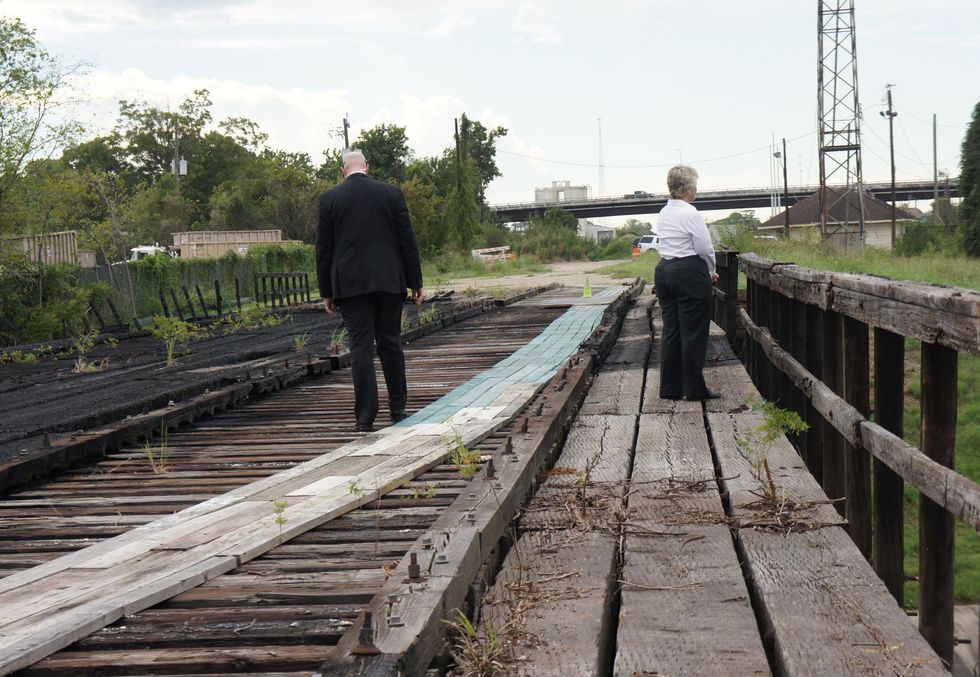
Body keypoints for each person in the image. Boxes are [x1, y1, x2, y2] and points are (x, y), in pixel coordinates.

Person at [315, 149, 424, 432]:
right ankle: (398, 408)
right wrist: (416, 282)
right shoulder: (391, 194)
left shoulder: (329, 200)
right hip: (389, 280)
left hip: (350, 286)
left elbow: (323, 251)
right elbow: (407, 241)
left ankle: (365, 419)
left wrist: (327, 291)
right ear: (367, 166)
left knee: (361, 347)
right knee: (390, 341)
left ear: (343, 171)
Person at [654, 165, 719, 401]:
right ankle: (694, 389)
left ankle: (670, 389)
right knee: (693, 333)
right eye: (695, 184)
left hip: (664, 271)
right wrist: (711, 271)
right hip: (688, 273)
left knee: (672, 331)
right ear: (689, 188)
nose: (697, 188)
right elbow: (704, 248)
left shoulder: (664, 212)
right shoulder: (691, 213)